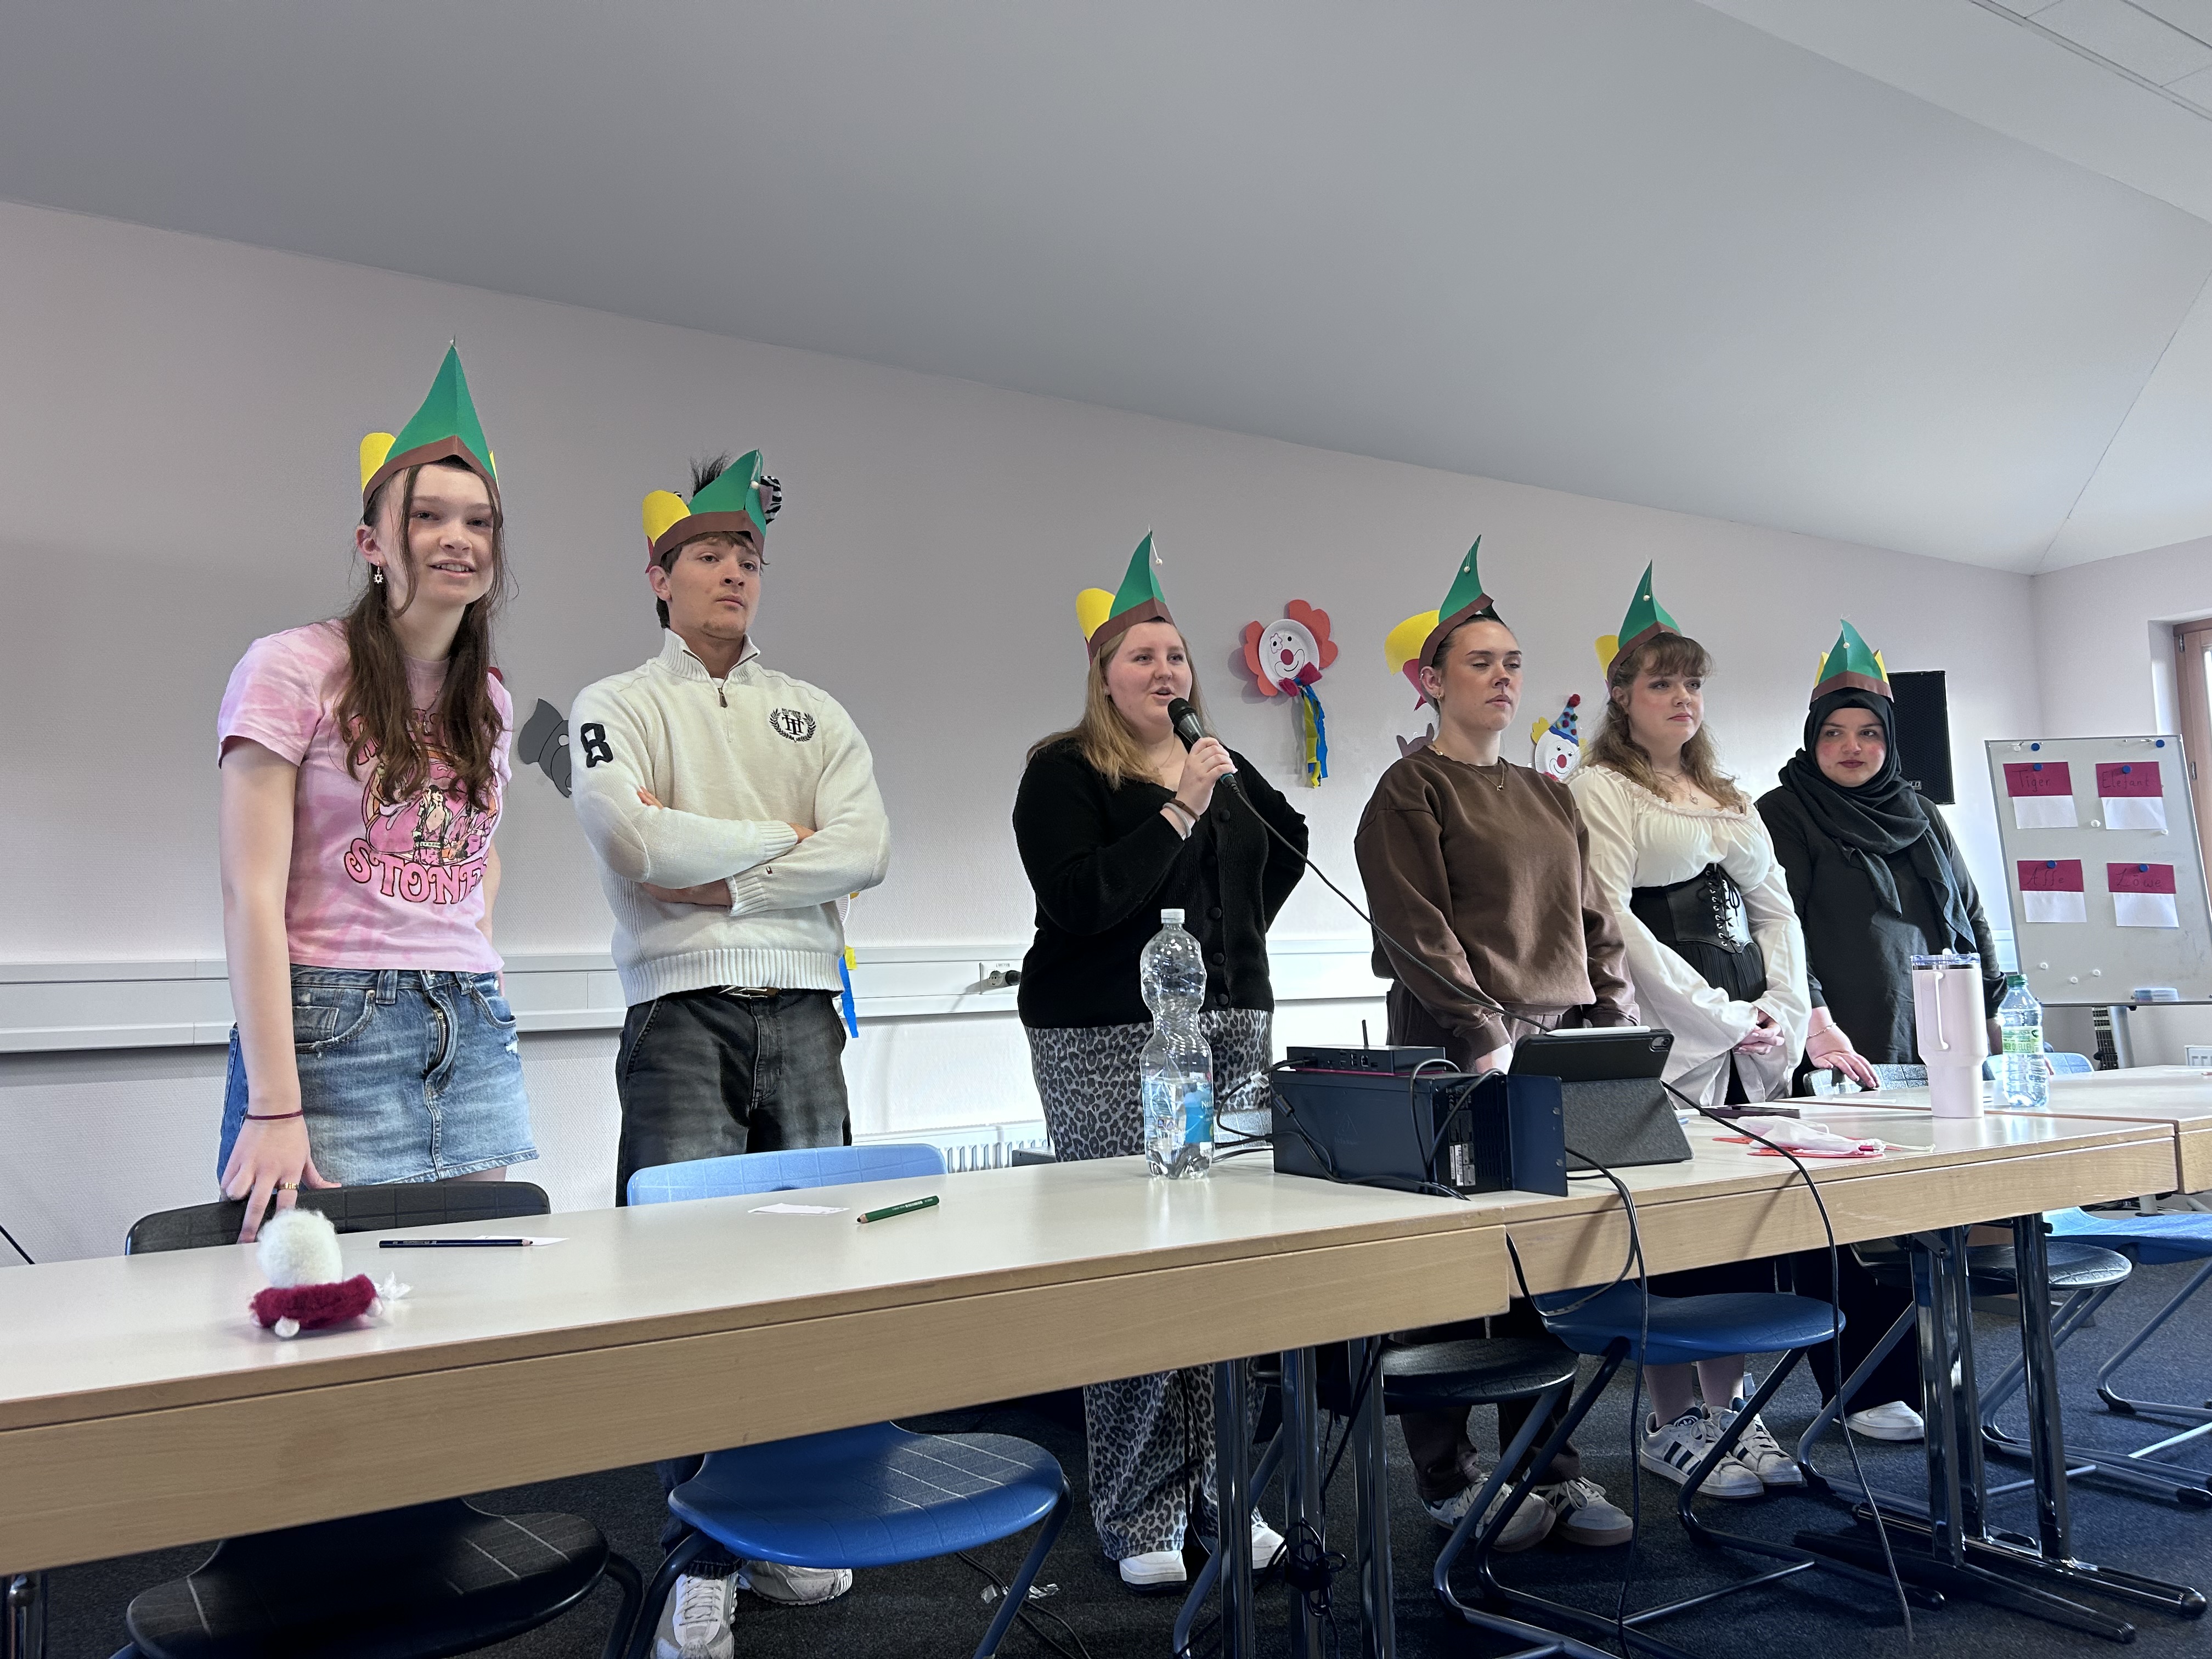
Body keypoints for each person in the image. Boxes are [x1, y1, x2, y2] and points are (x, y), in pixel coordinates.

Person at [568, 449, 890, 1652]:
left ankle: (787, 1525)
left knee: (810, 1276)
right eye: (710, 555)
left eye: (749, 557)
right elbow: (626, 836)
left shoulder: (815, 708)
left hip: (806, 1004)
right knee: (688, 1287)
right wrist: (781, 848)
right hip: (678, 1012)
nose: (734, 574)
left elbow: (867, 848)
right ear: (659, 578)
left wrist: (724, 872)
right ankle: (701, 1552)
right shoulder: (615, 705)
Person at [1012, 535, 1306, 1592]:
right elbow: (1083, 902)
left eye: (1176, 657)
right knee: (1139, 1271)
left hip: (1226, 1031)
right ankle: (1141, 1509)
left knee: (1221, 1273)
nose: (1167, 673)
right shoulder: (1065, 771)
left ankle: (1224, 1497)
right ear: (1104, 675)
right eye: (1143, 657)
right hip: (1103, 1040)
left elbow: (1293, 842)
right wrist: (1180, 805)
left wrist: (1231, 939)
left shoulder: (1218, 762)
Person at [216, 346, 534, 1248]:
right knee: (319, 1307)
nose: (457, 538)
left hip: (469, 1016)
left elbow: (480, 853)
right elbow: (249, 890)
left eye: (479, 521)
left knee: (472, 1289)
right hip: (332, 1021)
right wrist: (277, 1103)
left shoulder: (493, 700)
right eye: (428, 515)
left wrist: (454, 940)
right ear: (373, 544)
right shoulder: (292, 667)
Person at [1354, 540, 1638, 1551]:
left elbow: (1594, 919)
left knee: (1548, 1276)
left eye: (1513, 662)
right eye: (1481, 662)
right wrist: (1485, 1036)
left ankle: (1550, 1467)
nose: (1503, 677)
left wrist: (1616, 1032)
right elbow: (1414, 926)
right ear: (1432, 681)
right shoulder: (1409, 790)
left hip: (1556, 1053)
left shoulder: (1549, 791)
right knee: (1455, 1278)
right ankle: (1448, 1476)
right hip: (1455, 1056)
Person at [1568, 565, 1809, 1499]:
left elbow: (1778, 912)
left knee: (1743, 1229)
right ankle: (1671, 1424)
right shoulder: (1603, 789)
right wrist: (1718, 1017)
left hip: (1756, 1033)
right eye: (1662, 682)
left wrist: (1785, 1009)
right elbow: (1614, 921)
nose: (1682, 698)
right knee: (1669, 1231)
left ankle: (1736, 1413)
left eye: (1693, 682)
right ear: (1622, 696)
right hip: (1673, 1032)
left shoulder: (1733, 798)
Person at [1755, 619, 2005, 1442]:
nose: (1851, 747)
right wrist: (1815, 1017)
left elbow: (1967, 910)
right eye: (1834, 733)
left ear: (1889, 740)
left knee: (1920, 1209)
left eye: (1867, 733)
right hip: (1840, 1046)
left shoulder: (1919, 811)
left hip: (1927, 1037)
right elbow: (1777, 929)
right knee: (1841, 1220)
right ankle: (1865, 1386)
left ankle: (1914, 1359)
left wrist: (1993, 1003)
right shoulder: (1784, 812)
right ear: (1811, 739)